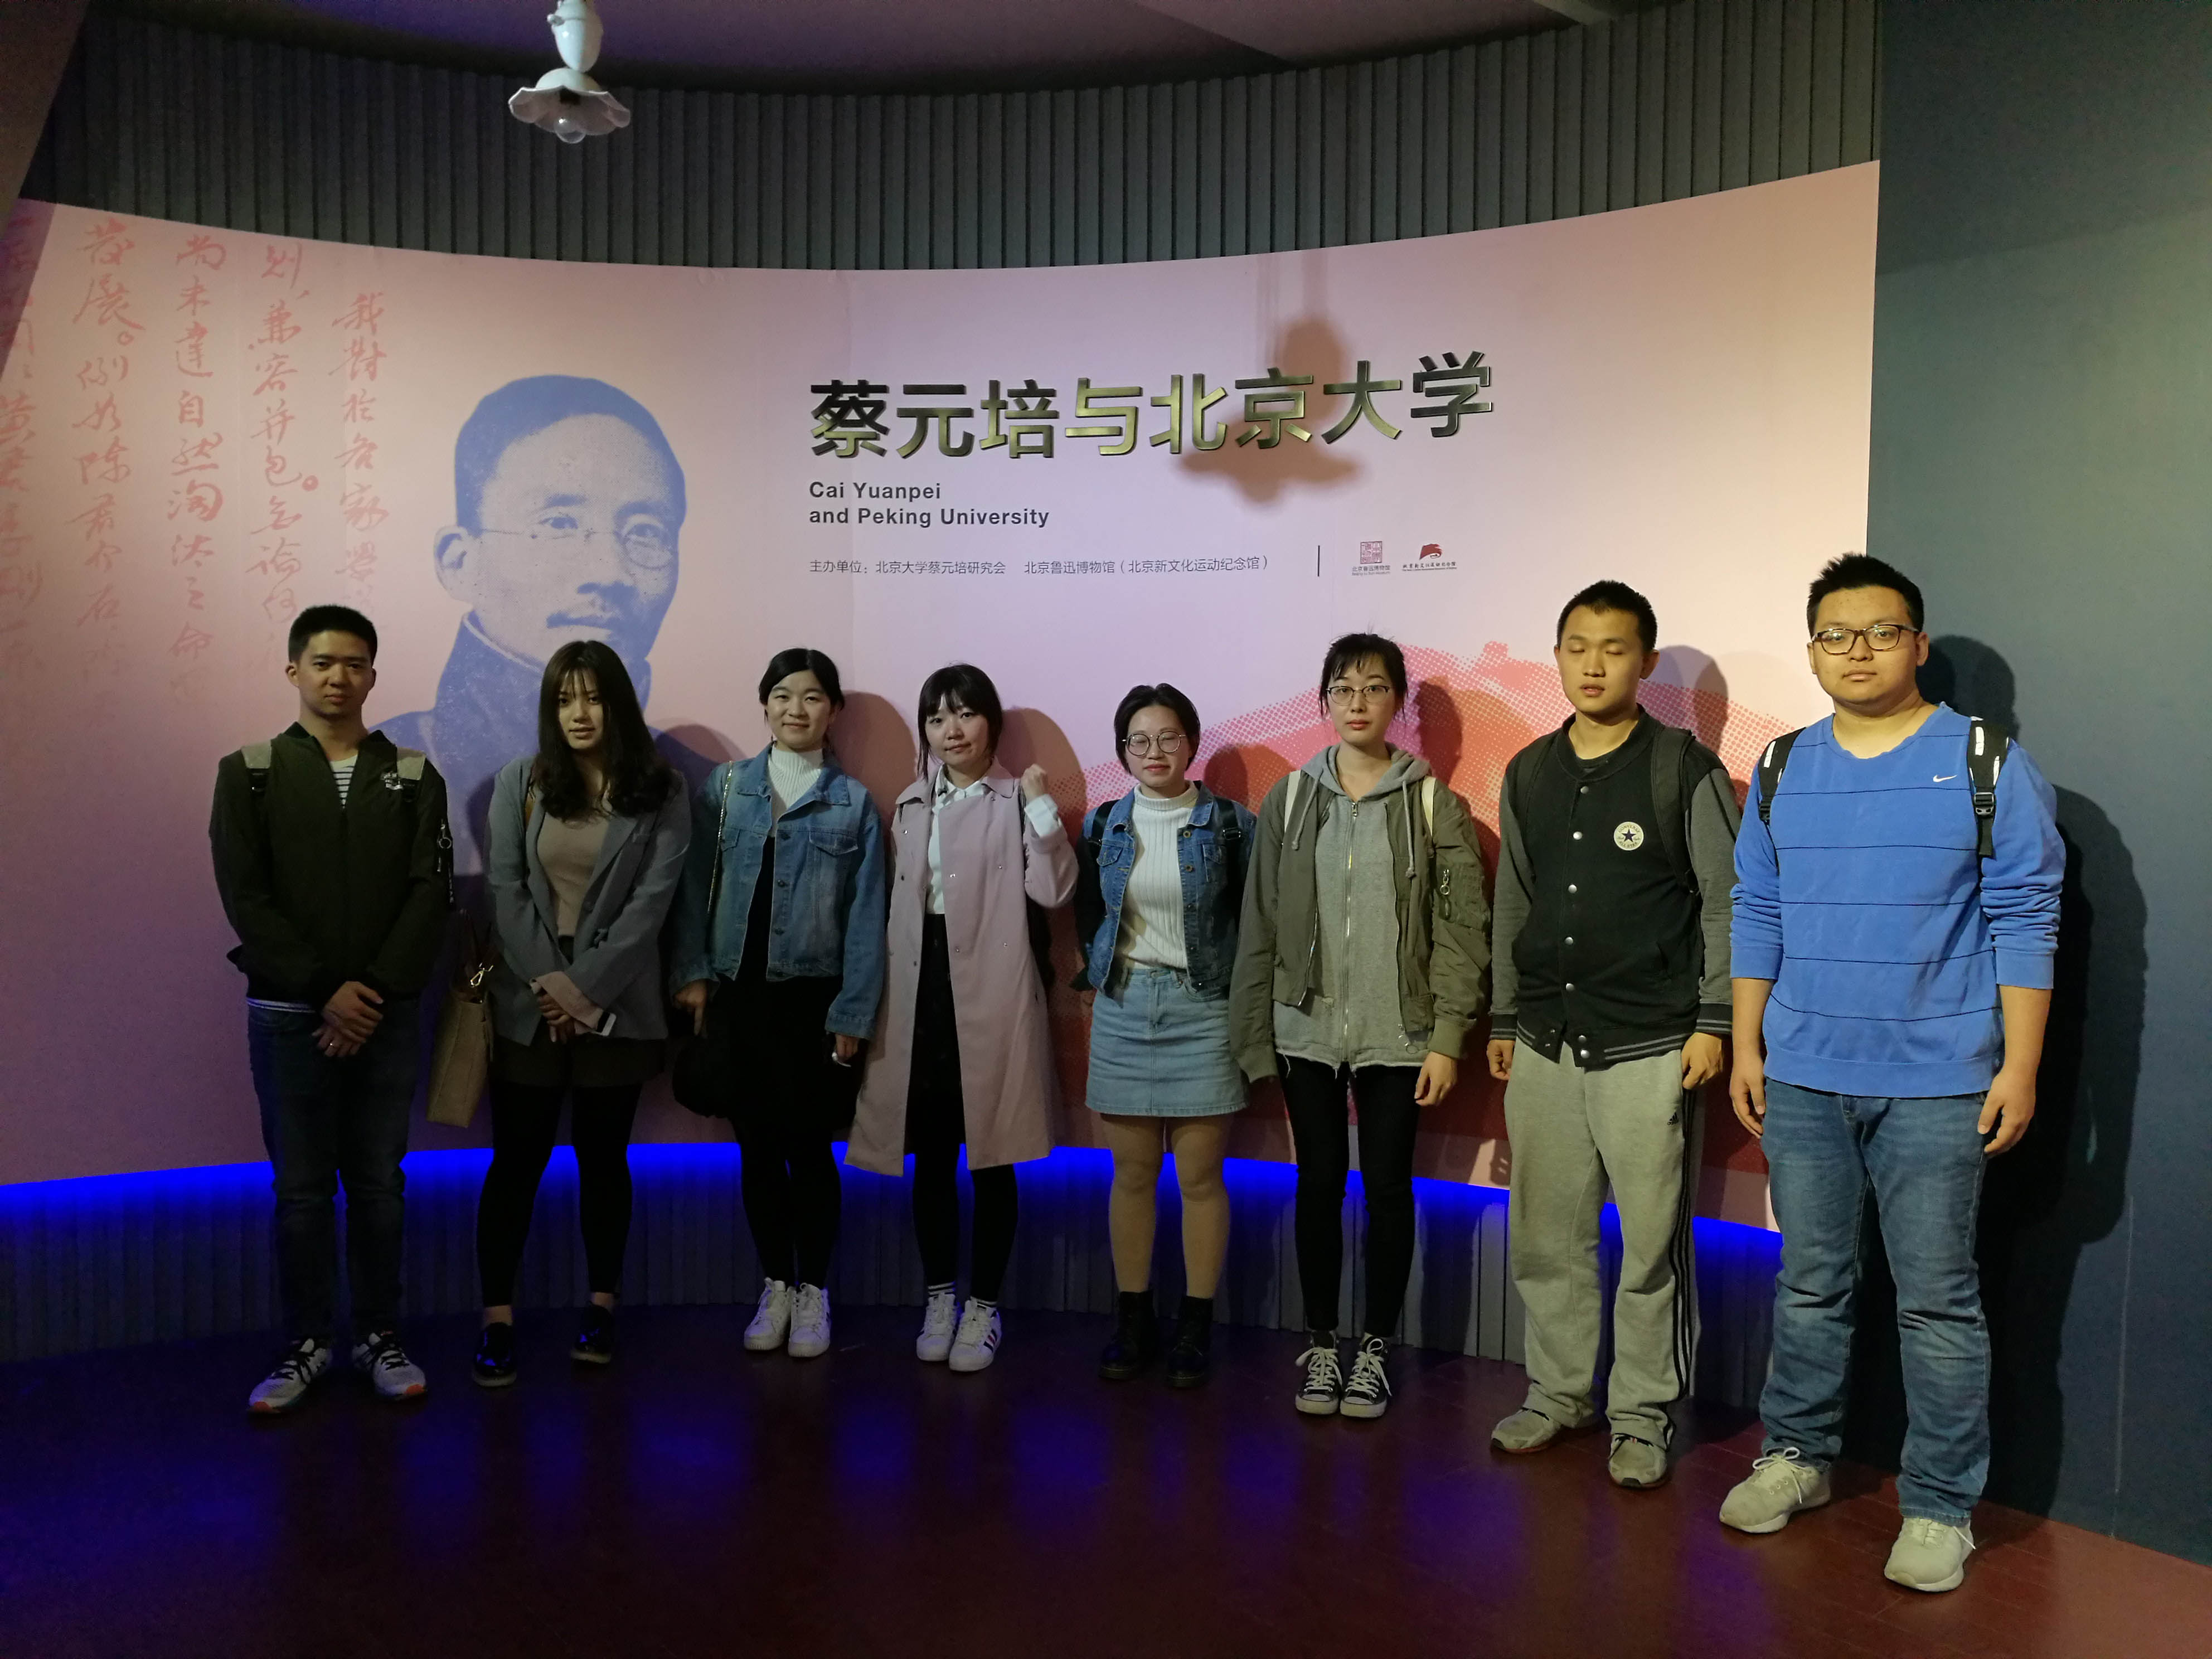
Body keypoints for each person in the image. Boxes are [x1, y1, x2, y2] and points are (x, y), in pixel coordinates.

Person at [1721, 555, 2061, 1594]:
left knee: (1936, 1303)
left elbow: (2026, 916)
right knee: (1810, 1283)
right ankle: (1796, 1455)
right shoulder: (1782, 765)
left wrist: (2020, 1066)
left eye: (1880, 632)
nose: (1857, 651)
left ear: (1917, 644)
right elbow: (1757, 907)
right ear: (1812, 649)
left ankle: (1940, 1505)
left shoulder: (1986, 762)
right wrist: (1748, 1044)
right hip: (1804, 1076)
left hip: (1940, 1083)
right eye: (1836, 634)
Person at [1485, 581, 1740, 1488]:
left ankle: (1641, 1414)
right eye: (1577, 646)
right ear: (1556, 656)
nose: (1593, 665)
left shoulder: (1682, 769)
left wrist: (1713, 1020)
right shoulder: (1528, 771)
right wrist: (1505, 1014)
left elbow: (1726, 903)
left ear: (1644, 661)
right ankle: (1558, 1394)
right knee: (1546, 1240)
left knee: (1649, 1250)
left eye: (1614, 648)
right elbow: (1512, 899)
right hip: (1545, 1040)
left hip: (1650, 1045)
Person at [1229, 633, 1490, 1419]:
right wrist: (1253, 1039)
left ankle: (1373, 1349)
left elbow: (1462, 932)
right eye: (1342, 689)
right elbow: (1260, 923)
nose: (1357, 703)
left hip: (1398, 1034)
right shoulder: (1289, 800)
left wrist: (1447, 1038)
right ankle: (1320, 1345)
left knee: (1387, 1188)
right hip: (1304, 1030)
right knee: (1316, 1185)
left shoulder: (1432, 804)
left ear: (1397, 704)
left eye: (1375, 688)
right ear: (1324, 701)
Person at [210, 604, 452, 1414]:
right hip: (289, 1016)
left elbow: (429, 894)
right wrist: (324, 992)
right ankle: (305, 1345)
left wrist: (367, 996)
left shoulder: (413, 775)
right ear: (294, 672)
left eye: (354, 664)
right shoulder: (249, 772)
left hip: (384, 1016)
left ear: (373, 676)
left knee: (380, 1186)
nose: (338, 677)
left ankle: (380, 1336)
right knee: (302, 1192)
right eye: (322, 663)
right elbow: (247, 898)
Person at [468, 641, 688, 1384]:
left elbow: (650, 907)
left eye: (593, 698)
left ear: (618, 703)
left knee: (604, 1162)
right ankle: (497, 1318)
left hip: (617, 1004)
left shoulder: (661, 789)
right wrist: (552, 988)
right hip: (528, 1003)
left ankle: (601, 1305)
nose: (579, 714)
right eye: (565, 700)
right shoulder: (520, 783)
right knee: (515, 1163)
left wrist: (583, 991)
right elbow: (505, 891)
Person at [382, 375, 707, 879]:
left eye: (646, 532)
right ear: (460, 561)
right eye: (559, 524)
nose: (610, 572)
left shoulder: (698, 787)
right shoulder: (385, 768)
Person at [847, 664, 1076, 1374]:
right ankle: (940, 1296)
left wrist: (1041, 810)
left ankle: (984, 1305)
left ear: (991, 724)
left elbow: (1054, 890)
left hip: (993, 990)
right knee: (932, 1155)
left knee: (993, 1155)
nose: (951, 730)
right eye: (937, 717)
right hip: (919, 989)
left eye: (965, 713)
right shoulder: (909, 803)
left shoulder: (1014, 800)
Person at [670, 648, 887, 1361]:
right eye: (784, 695)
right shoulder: (727, 788)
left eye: (813, 696)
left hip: (813, 1003)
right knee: (757, 1150)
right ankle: (775, 1285)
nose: (797, 709)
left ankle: (814, 1291)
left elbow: (867, 918)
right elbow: (693, 885)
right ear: (764, 704)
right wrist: (693, 974)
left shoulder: (853, 803)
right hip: (739, 998)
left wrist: (853, 1013)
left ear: (833, 711)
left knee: (811, 1151)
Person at [1074, 684, 1255, 1389]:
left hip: (1203, 1008)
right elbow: (1087, 914)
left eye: (1168, 738)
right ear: (1122, 751)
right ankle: (1132, 1319)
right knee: (1131, 1177)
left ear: (1191, 743)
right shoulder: (1102, 825)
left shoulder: (1232, 824)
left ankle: (1194, 1325)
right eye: (1139, 741)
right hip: (1124, 1007)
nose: (1154, 752)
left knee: (1201, 1180)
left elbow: (1255, 921)